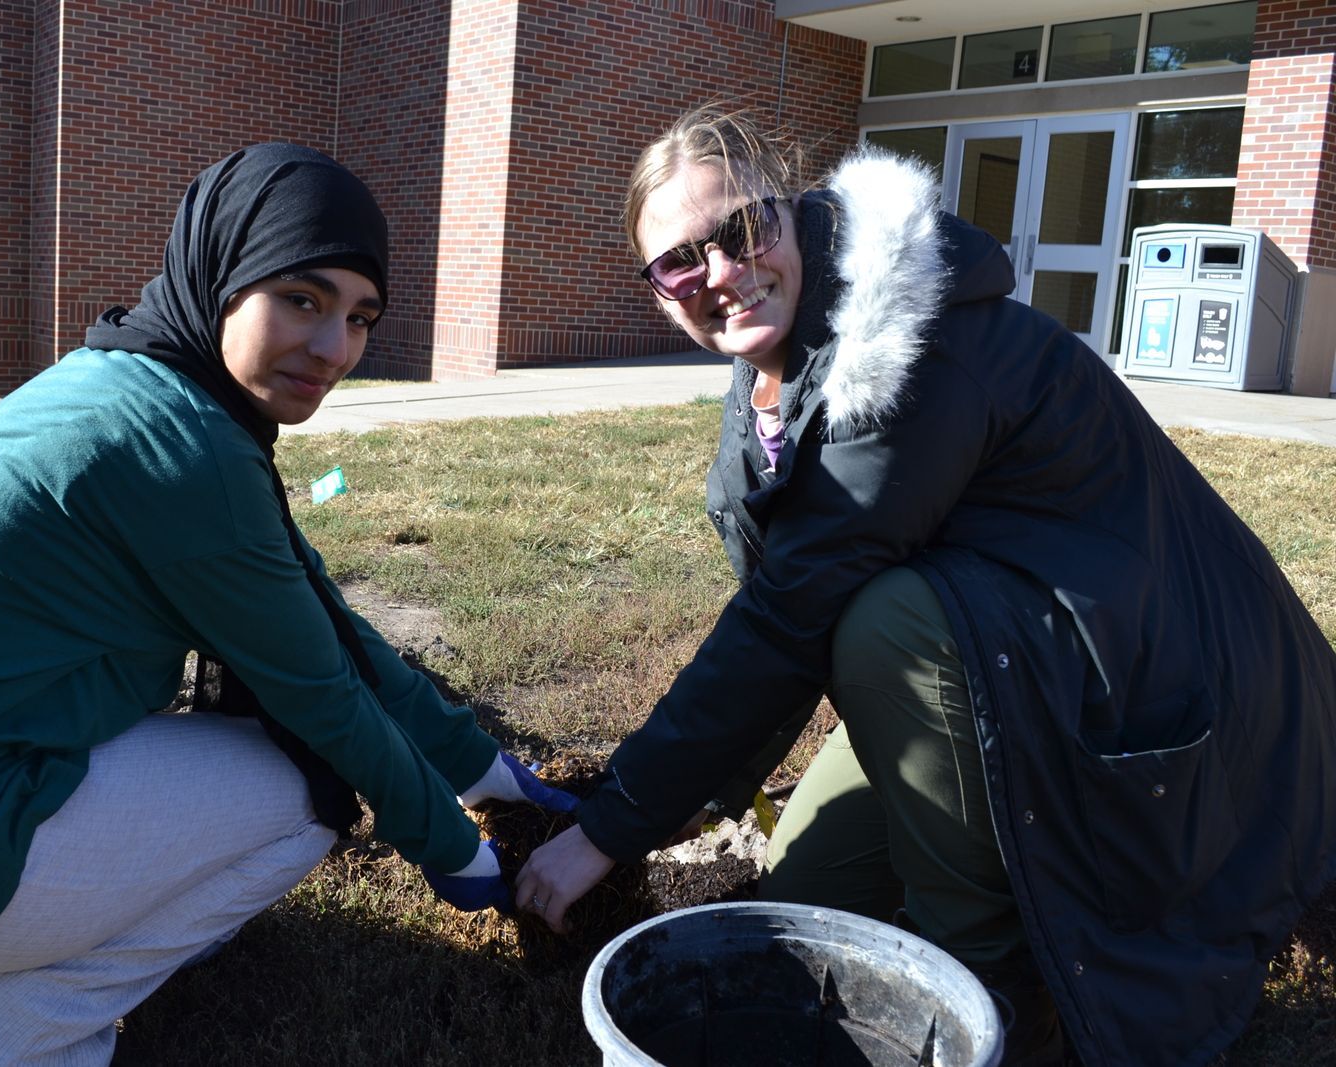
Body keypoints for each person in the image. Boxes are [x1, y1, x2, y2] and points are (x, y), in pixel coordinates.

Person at [515, 104, 1336, 1066]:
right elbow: (791, 604)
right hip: (1019, 648)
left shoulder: (902, 347)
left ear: (791, 207)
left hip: (1162, 686)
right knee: (805, 893)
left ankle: (996, 1000)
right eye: (681, 263)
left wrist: (606, 830)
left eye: (740, 231)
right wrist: (684, 790)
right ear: (657, 290)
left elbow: (790, 621)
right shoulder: (784, 351)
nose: (723, 275)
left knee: (884, 623)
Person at [0, 143, 575, 1067]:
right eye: (302, 298)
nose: (334, 348)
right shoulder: (186, 453)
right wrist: (465, 856)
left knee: (273, 769)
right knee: (313, 791)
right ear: (225, 274)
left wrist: (478, 765)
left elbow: (320, 617)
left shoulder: (137, 379)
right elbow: (324, 698)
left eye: (360, 316)